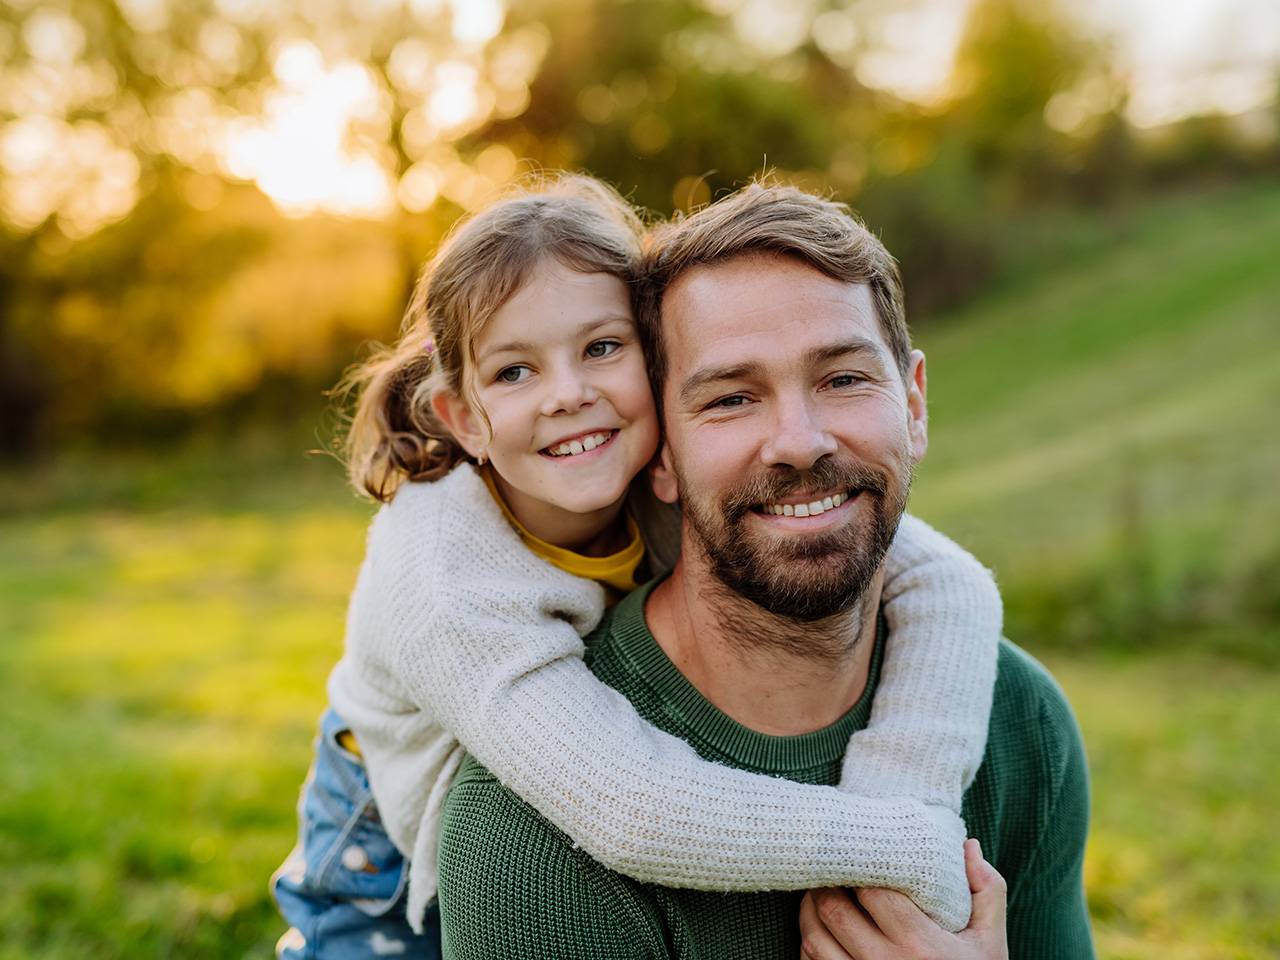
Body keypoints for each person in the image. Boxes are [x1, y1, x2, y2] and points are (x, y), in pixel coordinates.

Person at [272, 174, 1003, 959]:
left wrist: (906, 787)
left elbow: (947, 579)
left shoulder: (663, 469)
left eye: (601, 347)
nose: (568, 394)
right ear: (463, 418)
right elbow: (630, 805)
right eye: (515, 371)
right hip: (379, 859)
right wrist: (897, 845)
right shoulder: (443, 575)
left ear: (659, 369)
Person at [434, 182, 1094, 959]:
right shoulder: (530, 831)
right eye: (731, 398)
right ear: (660, 456)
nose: (799, 441)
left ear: (914, 406)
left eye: (843, 378)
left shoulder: (1019, 721)